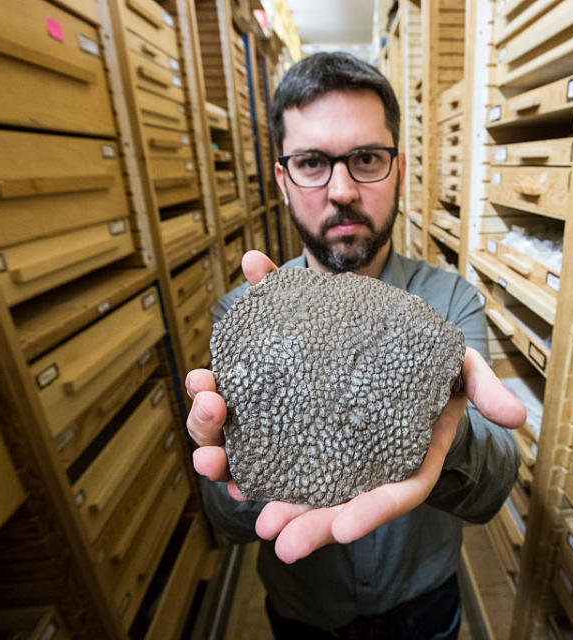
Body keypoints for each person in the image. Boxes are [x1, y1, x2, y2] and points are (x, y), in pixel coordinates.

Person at [185, 52, 525, 639]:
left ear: (397, 168)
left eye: (366, 158)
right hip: (304, 610)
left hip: (424, 602)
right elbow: (226, 521)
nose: (341, 190)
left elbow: (494, 490)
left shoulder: (446, 304)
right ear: (282, 178)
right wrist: (238, 457)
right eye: (312, 162)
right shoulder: (243, 316)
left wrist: (441, 422)